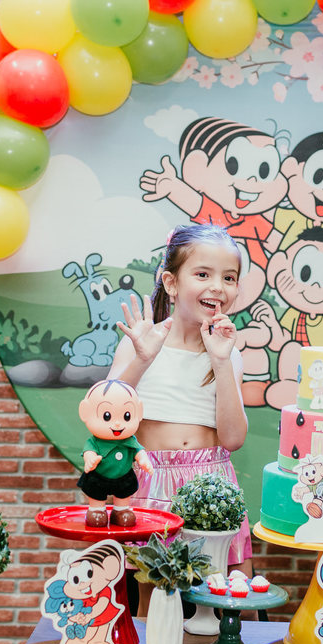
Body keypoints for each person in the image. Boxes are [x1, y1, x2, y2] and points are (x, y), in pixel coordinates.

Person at [109, 223, 252, 577]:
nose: (217, 287)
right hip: (149, 484)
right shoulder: (140, 343)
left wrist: (221, 361)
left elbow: (233, 438)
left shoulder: (228, 354)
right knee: (151, 594)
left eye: (229, 278)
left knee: (219, 591)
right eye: (203, 274)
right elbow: (104, 417)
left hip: (211, 486)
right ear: (171, 283)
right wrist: (142, 359)